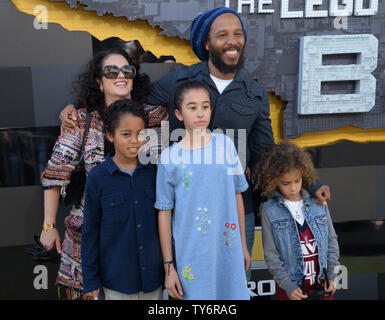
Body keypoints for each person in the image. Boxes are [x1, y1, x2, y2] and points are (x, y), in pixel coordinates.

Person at [58, 7, 331, 281]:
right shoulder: (180, 80)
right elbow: (130, 106)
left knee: (233, 283)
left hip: (234, 210)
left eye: (238, 34)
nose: (232, 41)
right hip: (185, 208)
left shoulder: (255, 94)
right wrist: (79, 108)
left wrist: (310, 183)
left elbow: (268, 154)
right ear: (207, 43)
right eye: (222, 35)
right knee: (187, 287)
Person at [40, 47, 166, 299]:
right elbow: (55, 174)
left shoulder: (154, 117)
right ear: (99, 82)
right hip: (92, 234)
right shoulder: (81, 120)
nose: (121, 75)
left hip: (144, 231)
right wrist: (48, 225)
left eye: (127, 70)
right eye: (111, 71)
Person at [155, 80, 251, 300]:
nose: (200, 113)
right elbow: (164, 212)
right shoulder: (169, 158)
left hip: (228, 249)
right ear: (179, 114)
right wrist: (169, 266)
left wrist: (243, 246)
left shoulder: (225, 145)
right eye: (192, 107)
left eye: (205, 106)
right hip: (192, 253)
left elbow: (237, 195)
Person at [81, 99, 163, 300]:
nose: (135, 141)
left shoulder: (156, 172)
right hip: (115, 285)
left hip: (154, 282)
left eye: (140, 133)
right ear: (110, 135)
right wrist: (90, 280)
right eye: (126, 135)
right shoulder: (97, 178)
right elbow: (90, 232)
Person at [255, 142, 340, 300]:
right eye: (286, 183)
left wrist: (332, 275)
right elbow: (271, 255)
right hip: (292, 291)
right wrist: (288, 285)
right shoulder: (269, 210)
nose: (293, 188)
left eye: (297, 180)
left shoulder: (318, 202)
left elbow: (331, 240)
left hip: (323, 285)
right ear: (273, 181)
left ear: (304, 175)